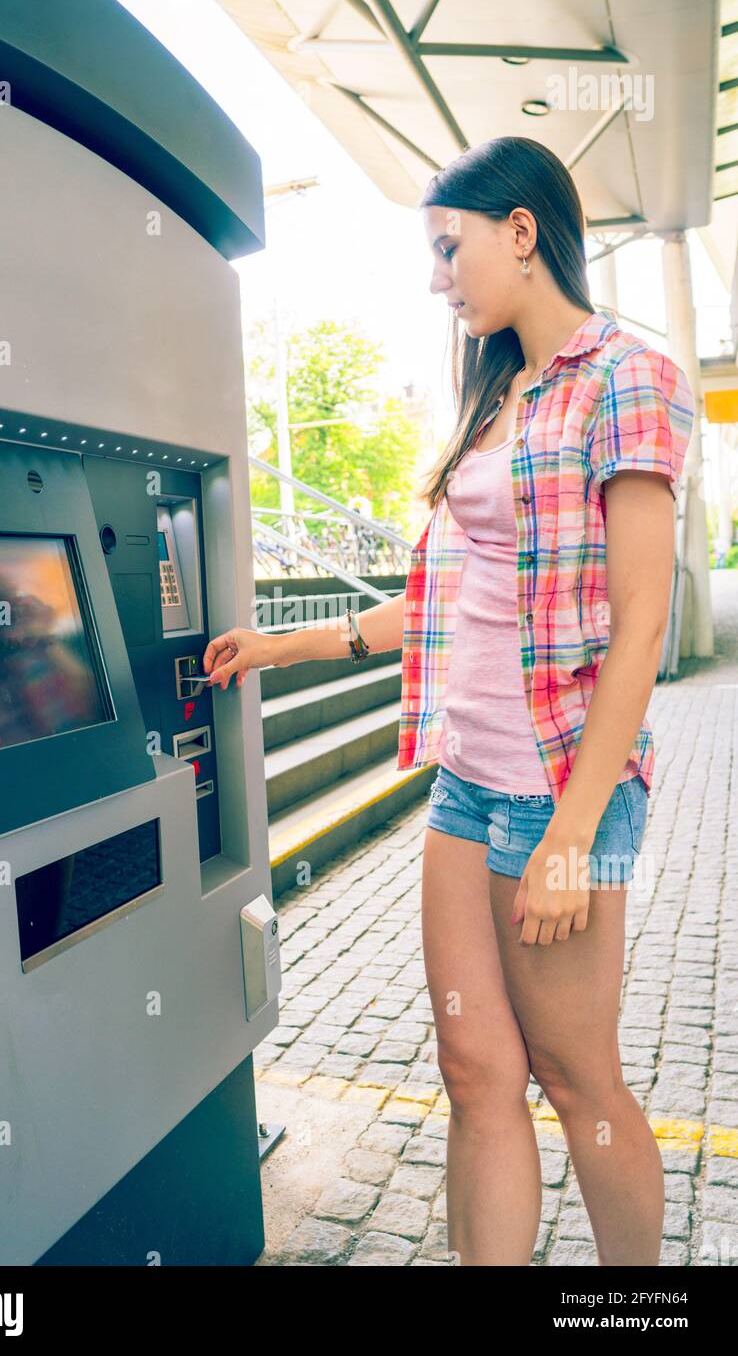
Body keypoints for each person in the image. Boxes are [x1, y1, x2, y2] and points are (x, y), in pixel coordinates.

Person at [201, 135, 695, 1267]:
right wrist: (276, 644)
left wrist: (571, 833)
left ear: (519, 232)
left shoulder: (627, 375)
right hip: (468, 790)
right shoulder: (493, 400)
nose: (436, 276)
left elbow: (639, 625)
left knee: (578, 1080)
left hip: (556, 797)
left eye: (446, 248)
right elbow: (436, 598)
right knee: (474, 1071)